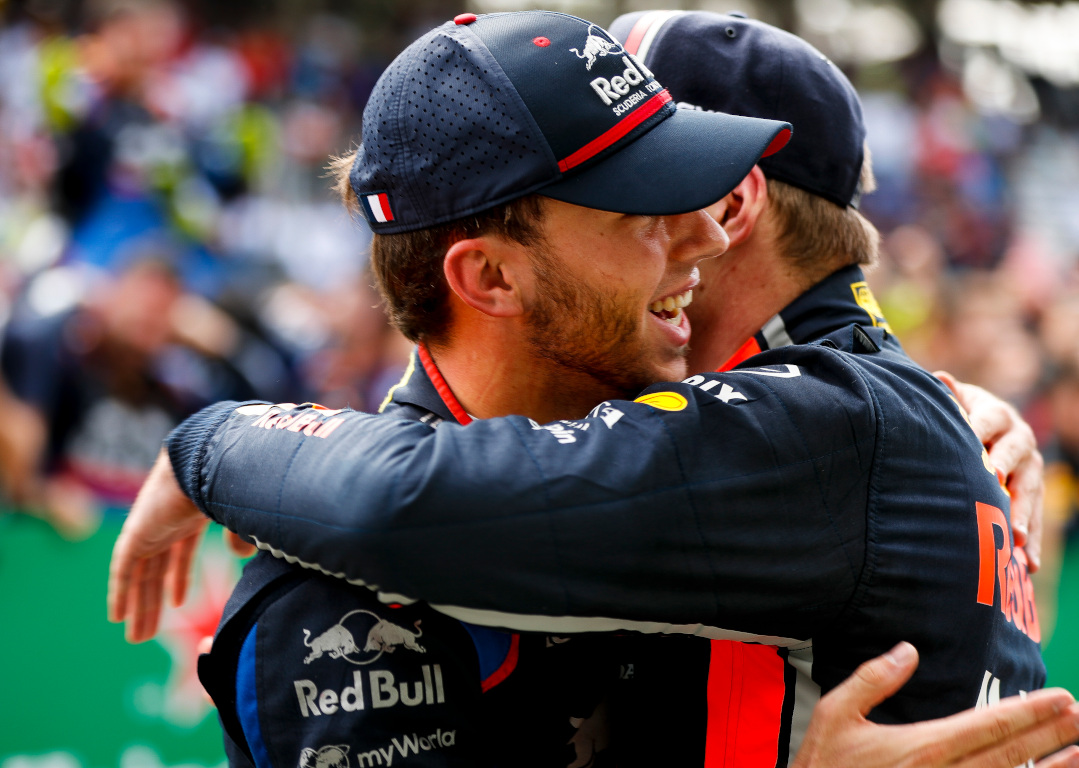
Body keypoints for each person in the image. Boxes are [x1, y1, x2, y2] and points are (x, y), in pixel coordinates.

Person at [109, 10, 1079, 768]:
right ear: (490, 277)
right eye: (641, 206)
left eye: (694, 189)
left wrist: (208, 442)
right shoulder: (334, 605)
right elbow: (395, 501)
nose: (697, 235)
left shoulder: (814, 434)